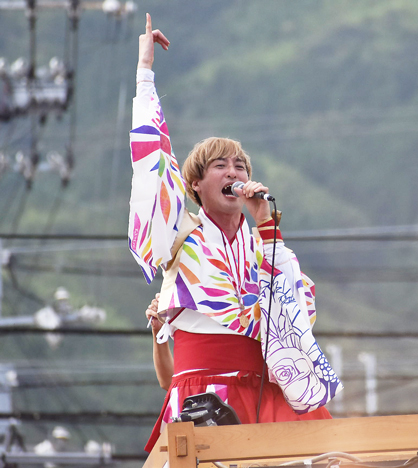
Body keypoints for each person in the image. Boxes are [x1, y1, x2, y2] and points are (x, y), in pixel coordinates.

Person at [129, 14, 341, 452]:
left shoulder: (264, 237)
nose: (234, 171)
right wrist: (145, 76)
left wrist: (265, 222)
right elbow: (152, 169)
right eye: (220, 166)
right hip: (204, 392)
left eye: (240, 165)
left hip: (268, 386)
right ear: (194, 186)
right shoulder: (180, 233)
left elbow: (292, 306)